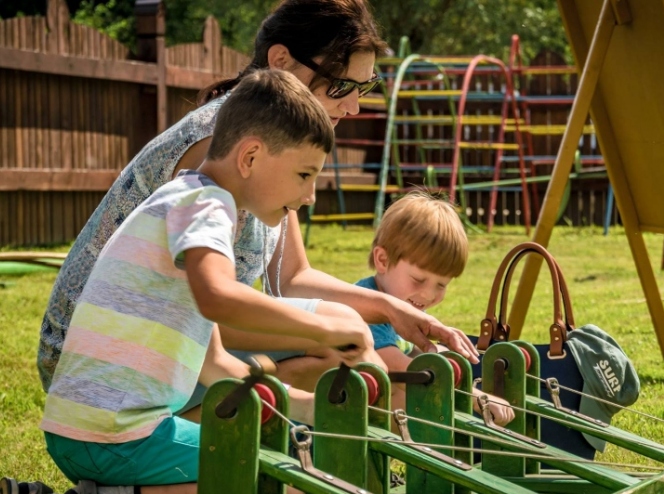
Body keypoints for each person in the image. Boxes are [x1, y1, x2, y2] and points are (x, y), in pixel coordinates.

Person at [37, 0, 477, 415]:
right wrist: (334, 327)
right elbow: (201, 300)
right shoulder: (226, 146)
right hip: (97, 354)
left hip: (168, 334)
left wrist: (391, 307)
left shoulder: (270, 142)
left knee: (336, 344)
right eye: (342, 85)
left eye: (364, 87)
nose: (354, 105)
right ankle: (139, 468)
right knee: (335, 347)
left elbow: (292, 278)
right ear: (281, 61)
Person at [35, 69, 371, 494]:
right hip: (117, 433)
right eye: (304, 174)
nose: (310, 195)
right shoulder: (206, 205)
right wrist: (327, 332)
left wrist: (309, 407)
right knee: (285, 482)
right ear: (251, 156)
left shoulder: (189, 200)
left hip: (92, 431)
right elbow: (219, 297)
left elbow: (214, 365)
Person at [353, 191, 515, 426]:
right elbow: (394, 363)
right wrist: (472, 395)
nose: (429, 294)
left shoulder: (405, 301)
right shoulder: (367, 306)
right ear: (383, 260)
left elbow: (420, 352)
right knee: (410, 394)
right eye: (418, 279)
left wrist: (447, 359)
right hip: (342, 404)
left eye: (442, 284)